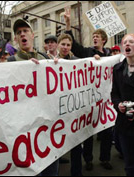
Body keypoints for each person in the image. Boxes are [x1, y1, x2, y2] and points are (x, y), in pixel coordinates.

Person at [8, 19, 59, 176]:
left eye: (25, 31)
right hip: (25, 131)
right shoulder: (10, 62)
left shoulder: (45, 58)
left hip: (48, 128)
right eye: (18, 32)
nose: (22, 34)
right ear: (16, 39)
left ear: (32, 35)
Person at [64, 7, 113, 171]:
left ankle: (105, 158)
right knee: (90, 132)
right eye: (93, 36)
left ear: (104, 40)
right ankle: (89, 159)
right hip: (91, 100)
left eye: (97, 37)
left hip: (107, 101)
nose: (94, 39)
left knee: (107, 131)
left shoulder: (110, 56)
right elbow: (75, 47)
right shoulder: (88, 52)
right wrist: (69, 25)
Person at [56, 33, 83, 176]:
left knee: (76, 144)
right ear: (58, 45)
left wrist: (96, 60)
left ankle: (76, 172)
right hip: (57, 111)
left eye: (68, 45)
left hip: (74, 108)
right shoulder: (49, 62)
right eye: (63, 44)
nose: (65, 47)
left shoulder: (77, 61)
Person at [111, 34, 134, 176]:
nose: (127, 44)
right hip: (124, 124)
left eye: (131, 42)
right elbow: (114, 94)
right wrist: (119, 105)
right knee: (129, 165)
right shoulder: (117, 69)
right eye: (125, 42)